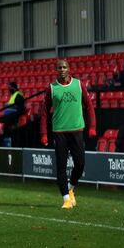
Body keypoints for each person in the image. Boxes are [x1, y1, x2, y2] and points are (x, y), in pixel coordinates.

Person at [39, 60, 96, 209]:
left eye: (64, 67)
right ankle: (66, 199)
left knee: (80, 163)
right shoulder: (52, 88)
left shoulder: (78, 85)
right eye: (59, 67)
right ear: (56, 70)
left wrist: (92, 127)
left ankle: (70, 187)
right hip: (59, 132)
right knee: (61, 166)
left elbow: (89, 106)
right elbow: (44, 112)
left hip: (77, 131)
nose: (62, 69)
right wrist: (44, 133)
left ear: (69, 69)